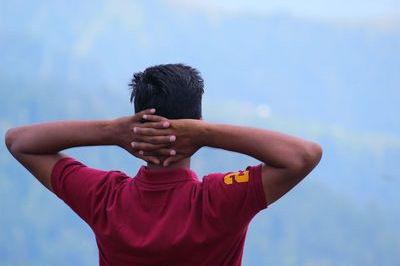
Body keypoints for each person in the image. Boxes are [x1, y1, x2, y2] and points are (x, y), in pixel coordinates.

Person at [5, 63, 322, 266]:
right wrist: (207, 133)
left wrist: (111, 132)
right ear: (196, 122)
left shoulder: (105, 199)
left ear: (136, 122)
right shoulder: (218, 201)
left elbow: (19, 142)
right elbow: (304, 155)